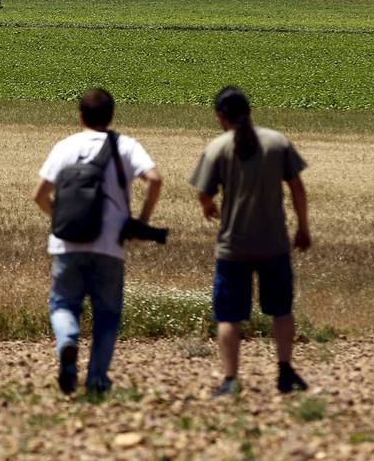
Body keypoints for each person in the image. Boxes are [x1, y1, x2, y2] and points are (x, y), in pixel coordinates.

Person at [33, 88, 163, 395]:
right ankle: (96, 380)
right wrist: (140, 222)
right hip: (110, 245)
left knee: (63, 303)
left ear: (80, 116)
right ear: (111, 116)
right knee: (107, 315)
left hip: (67, 244)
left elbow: (38, 194)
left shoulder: (66, 146)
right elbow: (155, 179)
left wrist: (60, 220)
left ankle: (67, 341)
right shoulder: (126, 146)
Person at [190, 86, 311, 397]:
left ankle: (230, 380)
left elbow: (203, 192)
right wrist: (303, 227)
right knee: (281, 310)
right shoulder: (277, 142)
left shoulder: (218, 148)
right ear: (249, 111)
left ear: (221, 117)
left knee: (229, 315)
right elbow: (297, 188)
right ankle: (285, 372)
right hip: (274, 243)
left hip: (234, 245)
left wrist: (209, 208)